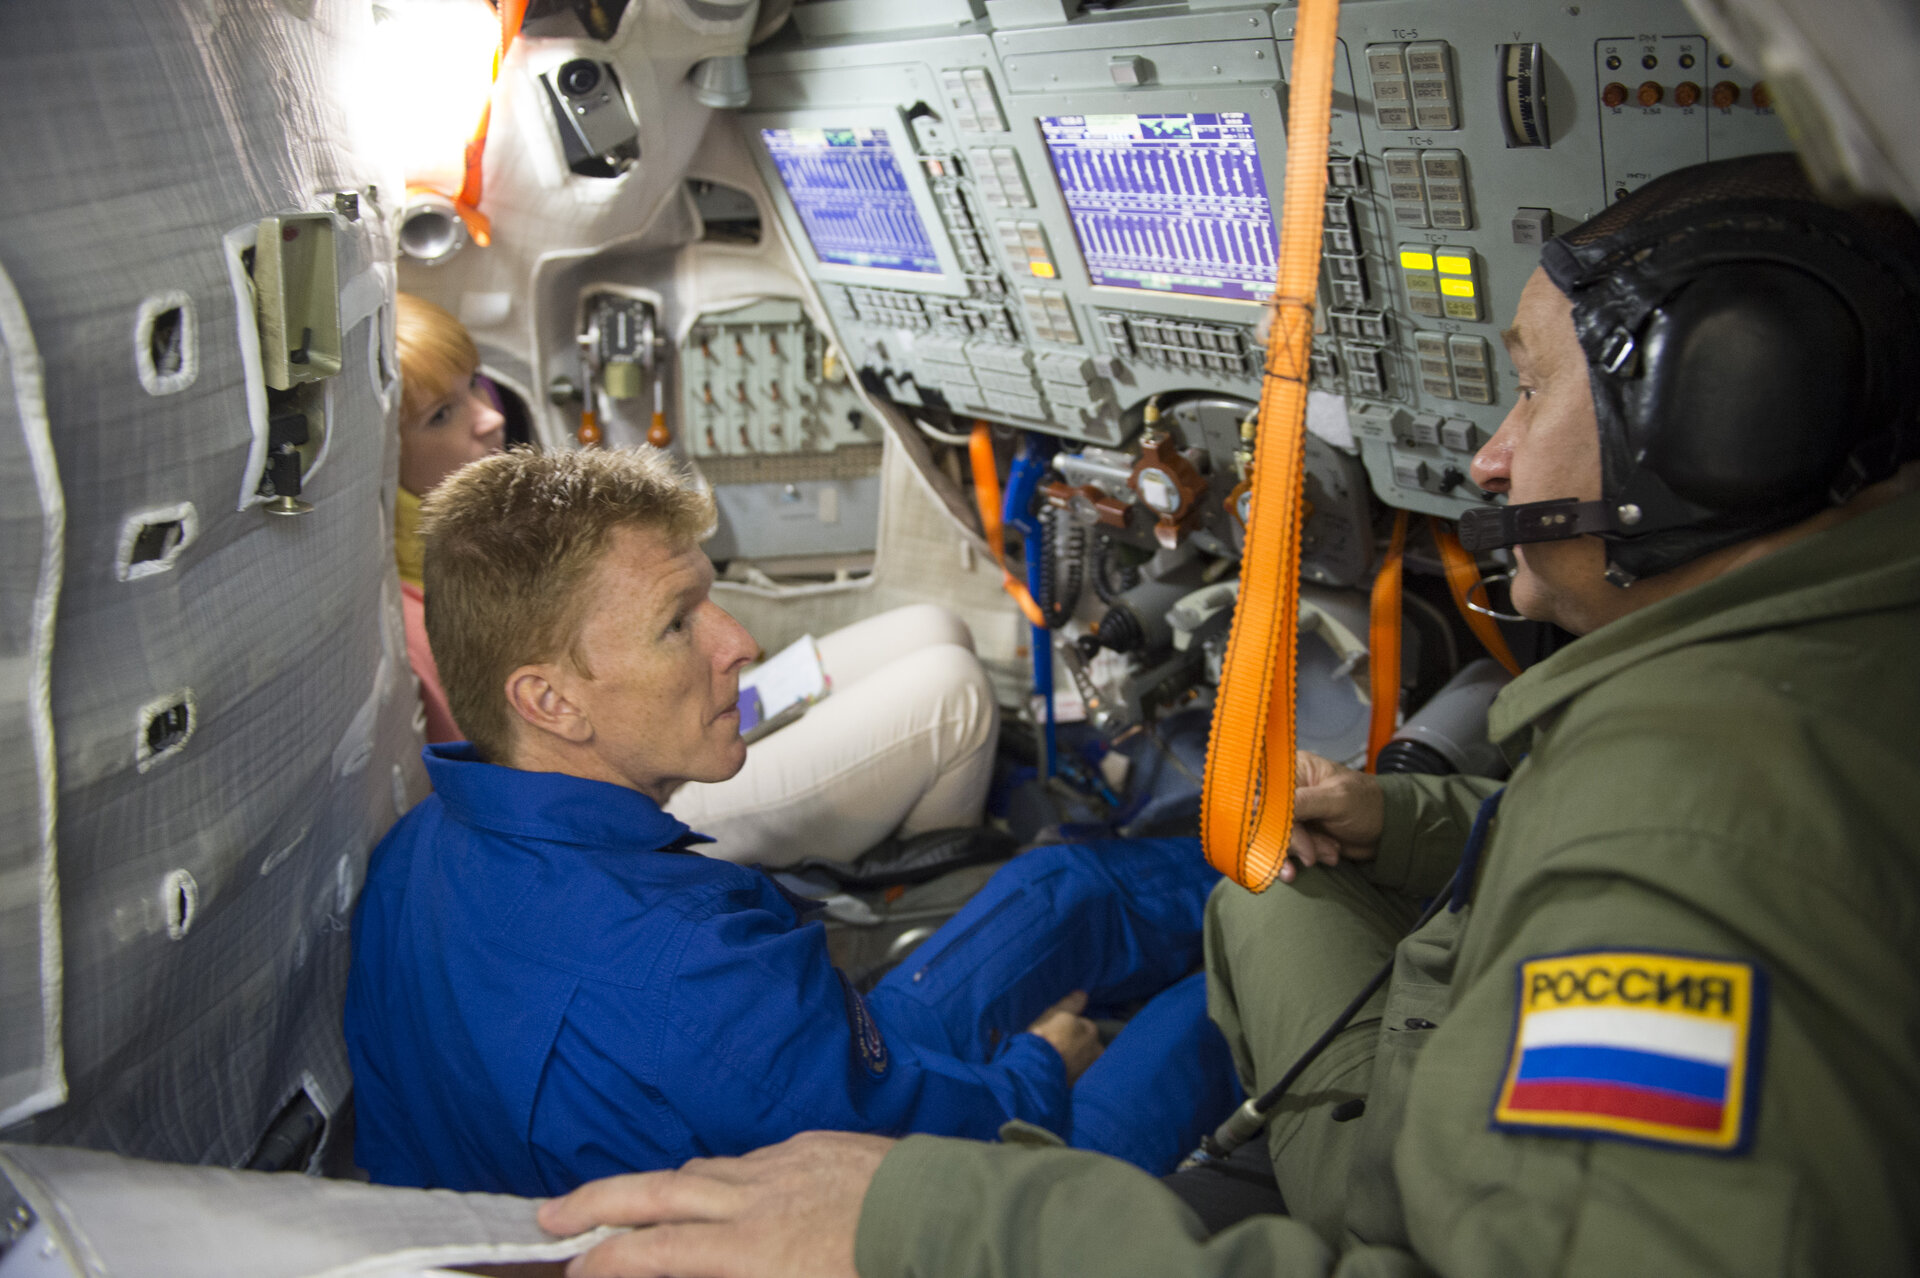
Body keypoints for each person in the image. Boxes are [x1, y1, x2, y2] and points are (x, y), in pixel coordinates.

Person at [537, 153, 1920, 1276]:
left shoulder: (1687, 848)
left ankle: (1187, 977)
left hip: (1409, 1164)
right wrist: (1400, 817)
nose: (1493, 456)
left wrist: (937, 1213)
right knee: (1219, 887)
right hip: (1429, 1081)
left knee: (1193, 896)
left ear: (1720, 418)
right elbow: (1560, 832)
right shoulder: (1752, 696)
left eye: (1530, 385)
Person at [343, 444, 1242, 1197]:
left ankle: (1262, 847)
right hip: (866, 1206)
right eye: (677, 625)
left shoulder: (416, 851)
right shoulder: (687, 970)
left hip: (771, 1099)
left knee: (1061, 886)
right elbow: (909, 1148)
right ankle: (1276, 920)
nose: (738, 643)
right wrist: (1042, 1068)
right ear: (550, 701)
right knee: (1216, 997)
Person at [391, 292, 999, 865]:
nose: (489, 417)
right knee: (954, 692)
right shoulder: (408, 624)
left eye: (476, 385)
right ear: (384, 457)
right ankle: (903, 904)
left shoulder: (482, 540)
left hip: (646, 729)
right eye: (441, 415)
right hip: (622, 801)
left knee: (935, 627)